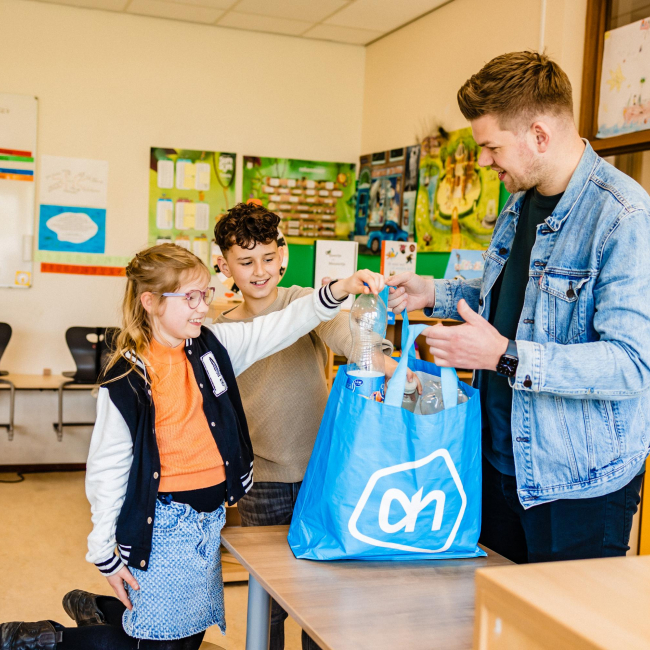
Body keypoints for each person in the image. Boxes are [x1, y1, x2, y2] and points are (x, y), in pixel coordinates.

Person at [0, 243, 385, 650]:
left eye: (206, 294)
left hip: (208, 521)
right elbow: (107, 468)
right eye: (190, 297)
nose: (203, 307)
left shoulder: (211, 346)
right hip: (161, 526)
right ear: (150, 302)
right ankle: (48, 639)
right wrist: (103, 552)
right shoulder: (128, 376)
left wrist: (341, 288)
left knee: (187, 633)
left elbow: (280, 325)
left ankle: (99, 612)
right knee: (165, 643)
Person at [388, 51, 650, 565]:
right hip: (498, 464)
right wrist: (434, 293)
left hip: (577, 485)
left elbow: (631, 364)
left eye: (491, 147)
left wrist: (506, 356)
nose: (485, 162)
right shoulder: (518, 203)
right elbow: (511, 302)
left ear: (538, 135)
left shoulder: (623, 217)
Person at [213, 202, 418, 650]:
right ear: (224, 262)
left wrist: (385, 365)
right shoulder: (219, 326)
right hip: (261, 477)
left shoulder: (302, 303)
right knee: (268, 593)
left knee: (320, 588)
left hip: (321, 471)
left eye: (268, 258)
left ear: (282, 255)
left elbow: (348, 335)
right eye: (245, 262)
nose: (260, 271)